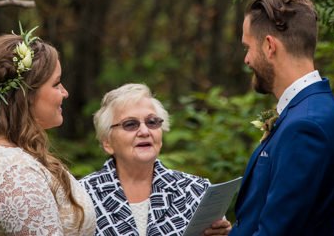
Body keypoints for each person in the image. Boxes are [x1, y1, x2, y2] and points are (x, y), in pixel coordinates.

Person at [232, 0, 334, 236]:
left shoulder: (305, 126)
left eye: (248, 47)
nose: (246, 60)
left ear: (268, 46)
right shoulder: (319, 109)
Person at [0, 28, 95, 236]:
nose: (65, 92)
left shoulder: (12, 158)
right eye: (56, 84)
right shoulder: (15, 174)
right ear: (26, 96)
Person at [80, 83, 231, 236]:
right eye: (130, 124)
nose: (145, 131)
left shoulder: (197, 191)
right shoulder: (80, 196)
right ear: (107, 142)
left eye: (152, 122)